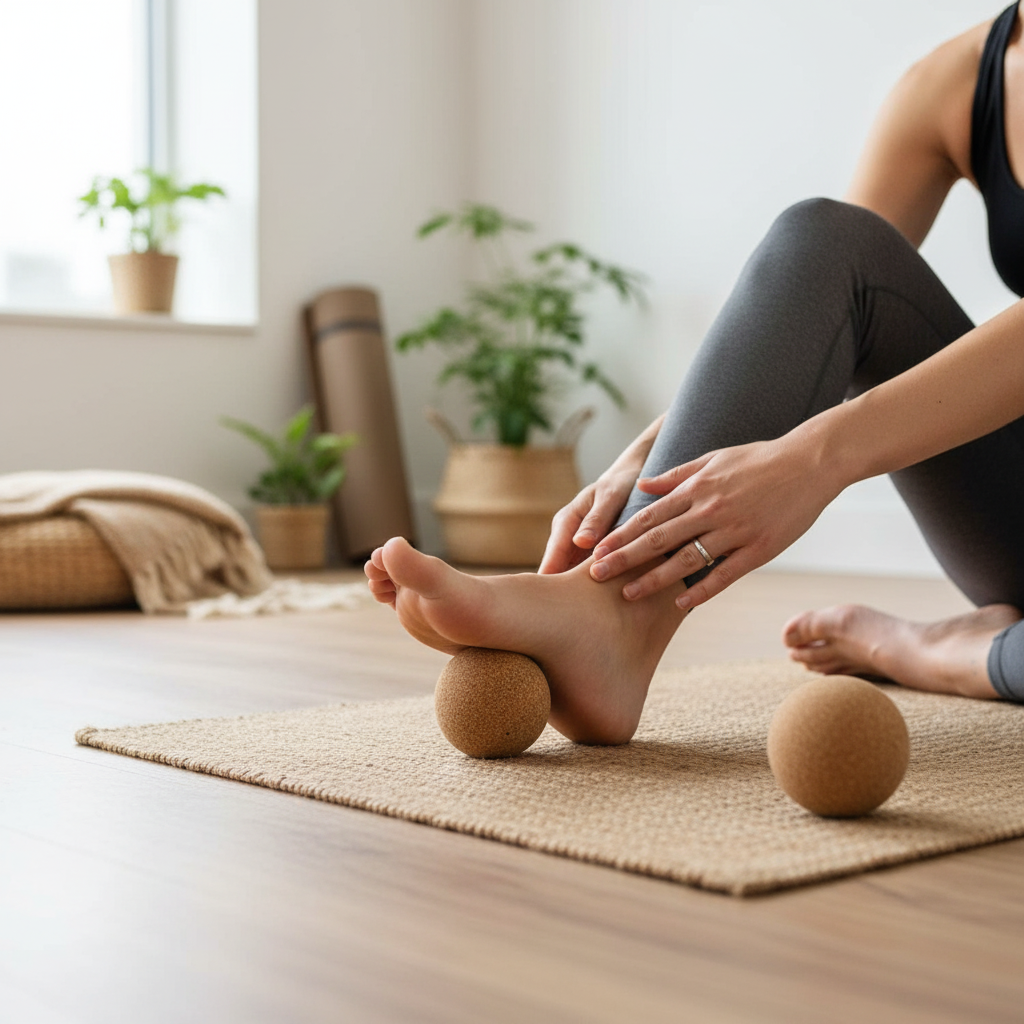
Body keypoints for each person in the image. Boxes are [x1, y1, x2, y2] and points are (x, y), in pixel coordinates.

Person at [367, 4, 1024, 744]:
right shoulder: (952, 85)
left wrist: (817, 460)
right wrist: (660, 449)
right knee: (824, 236)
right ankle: (614, 619)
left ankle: (938, 652)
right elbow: (826, 298)